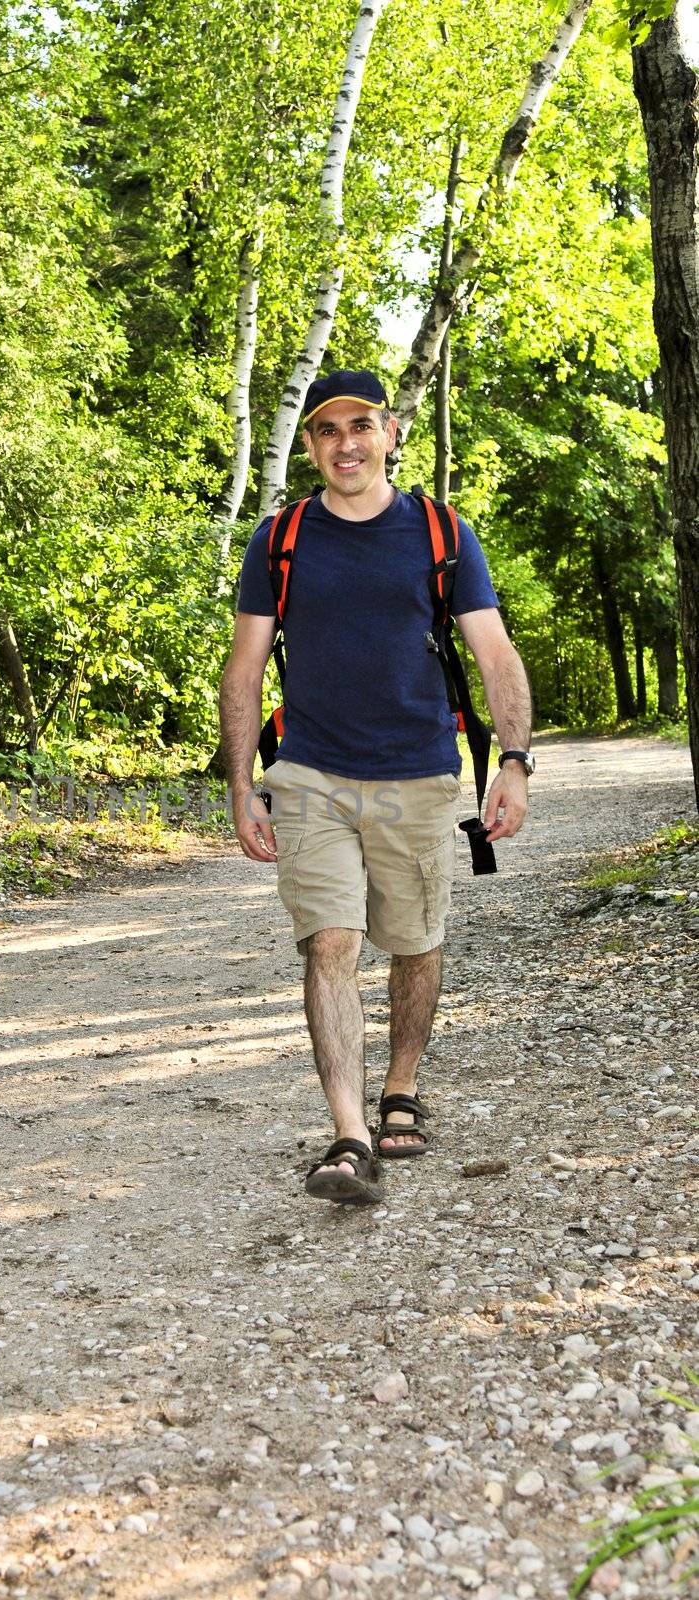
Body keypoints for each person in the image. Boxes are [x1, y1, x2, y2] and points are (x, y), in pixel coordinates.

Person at [218, 369, 533, 1205]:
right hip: (311, 772)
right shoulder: (279, 540)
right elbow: (244, 669)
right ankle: (350, 1135)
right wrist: (242, 783)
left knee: (414, 942)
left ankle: (401, 1085)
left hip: (420, 774)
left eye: (360, 426)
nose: (345, 443)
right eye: (326, 431)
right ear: (311, 445)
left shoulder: (441, 533)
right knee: (331, 940)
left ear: (390, 433)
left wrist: (512, 761)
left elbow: (493, 654)